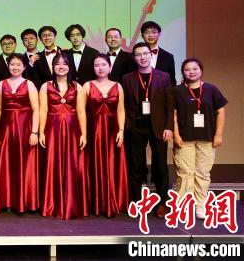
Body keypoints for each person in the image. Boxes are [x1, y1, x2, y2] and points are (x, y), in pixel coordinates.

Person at [121, 42, 174, 218]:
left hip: (158, 127)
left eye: (145, 53)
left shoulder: (164, 77)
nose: (142, 57)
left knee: (160, 166)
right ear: (134, 58)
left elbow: (169, 105)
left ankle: (162, 203)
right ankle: (136, 202)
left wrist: (169, 127)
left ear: (151, 55)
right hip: (135, 127)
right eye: (138, 54)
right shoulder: (127, 78)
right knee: (135, 165)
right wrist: (127, 125)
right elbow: (124, 104)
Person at [172, 58, 227, 220]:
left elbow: (221, 112)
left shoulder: (211, 89)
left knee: (203, 173)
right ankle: (183, 205)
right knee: (185, 173)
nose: (192, 72)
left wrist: (218, 134)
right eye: (187, 69)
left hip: (207, 138)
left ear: (201, 70)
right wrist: (176, 135)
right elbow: (173, 115)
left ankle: (200, 205)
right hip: (184, 138)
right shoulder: (177, 91)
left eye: (195, 68)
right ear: (183, 72)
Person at [39, 53, 89, 219]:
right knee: (52, 164)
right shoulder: (45, 86)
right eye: (57, 64)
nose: (61, 66)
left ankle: (71, 203)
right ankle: (52, 204)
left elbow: (81, 111)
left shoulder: (77, 86)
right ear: (53, 67)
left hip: (72, 130)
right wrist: (41, 132)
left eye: (64, 64)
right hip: (52, 129)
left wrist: (84, 133)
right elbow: (43, 110)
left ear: (69, 67)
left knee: (72, 165)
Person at [83, 54, 128, 217]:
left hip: (112, 131)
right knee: (94, 165)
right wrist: (83, 133)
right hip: (93, 131)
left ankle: (113, 201)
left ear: (110, 67)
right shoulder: (87, 86)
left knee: (112, 165)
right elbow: (81, 111)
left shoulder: (118, 86)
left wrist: (121, 130)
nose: (100, 68)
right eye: (97, 65)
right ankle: (96, 204)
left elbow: (121, 110)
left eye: (103, 64)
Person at [0, 53, 39, 213]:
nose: (15, 67)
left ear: (24, 67)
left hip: (25, 128)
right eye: (12, 64)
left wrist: (34, 132)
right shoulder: (1, 84)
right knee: (7, 164)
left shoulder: (29, 84)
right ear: (8, 66)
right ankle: (7, 201)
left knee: (25, 164)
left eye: (19, 65)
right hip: (6, 128)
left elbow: (36, 110)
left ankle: (26, 201)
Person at [141, 21, 176, 86]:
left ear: (159, 34)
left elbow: (172, 81)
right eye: (147, 32)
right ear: (142, 36)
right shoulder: (133, 56)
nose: (150, 35)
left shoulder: (168, 57)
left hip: (162, 92)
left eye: (154, 32)